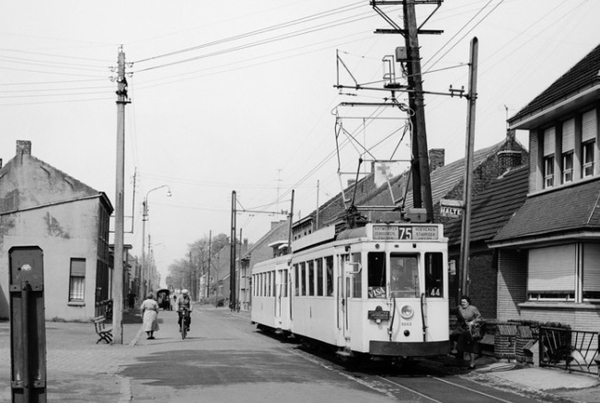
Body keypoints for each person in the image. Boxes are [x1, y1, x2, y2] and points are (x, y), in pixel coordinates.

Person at [450, 295, 482, 369]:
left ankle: (472, 363)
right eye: (462, 302)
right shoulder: (459, 308)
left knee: (471, 346)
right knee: (453, 335)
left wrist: (473, 322)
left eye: (464, 302)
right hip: (462, 328)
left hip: (470, 329)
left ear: (468, 302)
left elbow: (479, 317)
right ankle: (455, 350)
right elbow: (451, 311)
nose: (463, 303)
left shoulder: (473, 308)